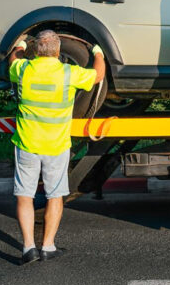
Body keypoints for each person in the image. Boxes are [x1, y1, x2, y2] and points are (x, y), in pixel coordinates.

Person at [7, 29, 105, 265]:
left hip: (27, 143)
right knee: (54, 196)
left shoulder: (23, 70)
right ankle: (48, 246)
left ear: (36, 50)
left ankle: (28, 247)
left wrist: (19, 44)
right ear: (59, 51)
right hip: (56, 145)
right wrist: (97, 51)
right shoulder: (68, 73)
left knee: (24, 196)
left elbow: (13, 58)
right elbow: (98, 75)